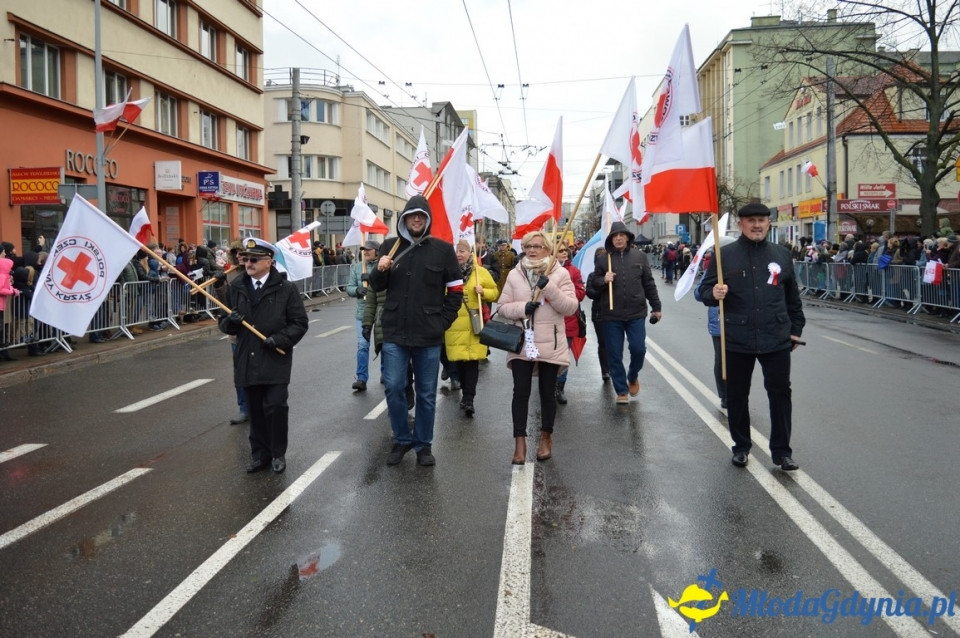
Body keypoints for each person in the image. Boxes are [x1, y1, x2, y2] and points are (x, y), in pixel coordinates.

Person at [697, 203, 805, 471]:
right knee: (736, 395)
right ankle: (741, 447)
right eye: (751, 220)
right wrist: (715, 294)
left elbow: (793, 298)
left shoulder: (781, 255)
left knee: (780, 394)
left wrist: (795, 330)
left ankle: (782, 452)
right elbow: (705, 291)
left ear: (769, 223)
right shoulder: (725, 256)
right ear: (741, 224)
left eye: (762, 220)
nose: (757, 225)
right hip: (737, 336)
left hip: (776, 336)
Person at [368, 195, 463, 467]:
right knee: (394, 386)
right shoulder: (390, 246)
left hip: (428, 335)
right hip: (395, 332)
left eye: (421, 216)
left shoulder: (443, 250)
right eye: (412, 216)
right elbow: (375, 286)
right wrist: (381, 268)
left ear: (428, 219)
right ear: (404, 220)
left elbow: (456, 291)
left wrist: (441, 322)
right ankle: (401, 439)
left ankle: (423, 445)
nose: (416, 220)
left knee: (426, 393)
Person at [219, 237, 309, 474]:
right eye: (246, 259)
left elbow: (299, 323)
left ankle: (278, 453)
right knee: (256, 410)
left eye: (254, 259)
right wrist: (231, 322)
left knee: (276, 407)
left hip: (274, 358)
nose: (248, 263)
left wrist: (279, 339)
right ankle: (260, 455)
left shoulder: (286, 289)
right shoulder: (236, 287)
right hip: (247, 359)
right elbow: (224, 324)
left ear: (269, 262)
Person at [498, 230, 578, 465]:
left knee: (547, 393)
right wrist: (523, 307)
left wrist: (550, 288)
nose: (532, 250)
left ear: (549, 249)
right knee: (520, 392)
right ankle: (520, 442)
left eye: (538, 246)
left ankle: (545, 437)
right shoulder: (515, 274)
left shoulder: (560, 273)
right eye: (528, 246)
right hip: (523, 342)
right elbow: (502, 307)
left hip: (550, 344)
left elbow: (571, 307)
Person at [586, 222, 662, 404]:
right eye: (615, 236)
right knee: (614, 354)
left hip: (636, 312)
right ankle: (621, 390)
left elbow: (649, 283)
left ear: (628, 237)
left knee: (638, 349)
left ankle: (633, 375)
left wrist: (656, 307)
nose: (618, 238)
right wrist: (604, 279)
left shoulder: (640, 257)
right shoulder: (604, 259)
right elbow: (593, 282)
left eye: (621, 235)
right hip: (611, 314)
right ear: (611, 239)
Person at [444, 239, 499, 417]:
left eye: (462, 251)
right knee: (458, 361)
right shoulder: (447, 271)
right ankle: (461, 387)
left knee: (472, 361)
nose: (459, 254)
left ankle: (469, 399)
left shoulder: (480, 272)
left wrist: (483, 291)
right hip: (453, 323)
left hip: (474, 323)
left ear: (470, 254)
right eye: (456, 251)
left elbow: (495, 292)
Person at [693, 253, 726, 409]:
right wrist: (713, 292)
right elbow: (698, 293)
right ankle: (725, 394)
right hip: (719, 323)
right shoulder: (714, 269)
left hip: (742, 323)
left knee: (740, 361)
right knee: (721, 360)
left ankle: (739, 393)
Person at [554, 240, 585, 404]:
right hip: (548, 321)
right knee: (548, 354)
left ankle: (560, 387)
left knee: (563, 356)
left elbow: (580, 293)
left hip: (569, 320)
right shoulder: (545, 270)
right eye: (560, 251)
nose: (564, 253)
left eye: (565, 250)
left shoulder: (574, 271)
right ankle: (547, 383)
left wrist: (565, 294)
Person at [347, 239, 380, 392]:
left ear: (377, 251)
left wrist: (372, 279)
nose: (366, 252)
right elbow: (350, 287)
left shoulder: (383, 266)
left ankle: (386, 374)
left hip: (380, 311)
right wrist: (357, 291)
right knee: (362, 345)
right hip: (362, 312)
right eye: (364, 249)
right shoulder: (357, 267)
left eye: (369, 249)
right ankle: (361, 378)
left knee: (384, 344)